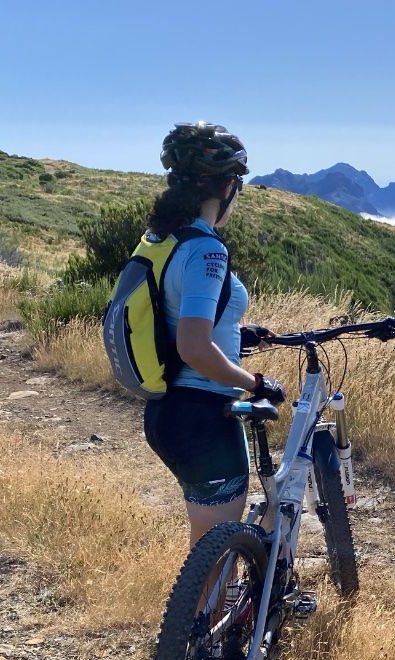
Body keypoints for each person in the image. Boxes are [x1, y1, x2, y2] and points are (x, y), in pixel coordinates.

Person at [141, 121, 286, 548]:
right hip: (203, 415)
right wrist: (255, 383)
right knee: (215, 545)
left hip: (166, 411)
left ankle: (205, 611)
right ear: (226, 187)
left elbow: (174, 320)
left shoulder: (162, 238)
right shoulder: (207, 248)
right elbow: (193, 347)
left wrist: (237, 334)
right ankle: (208, 616)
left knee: (205, 539)